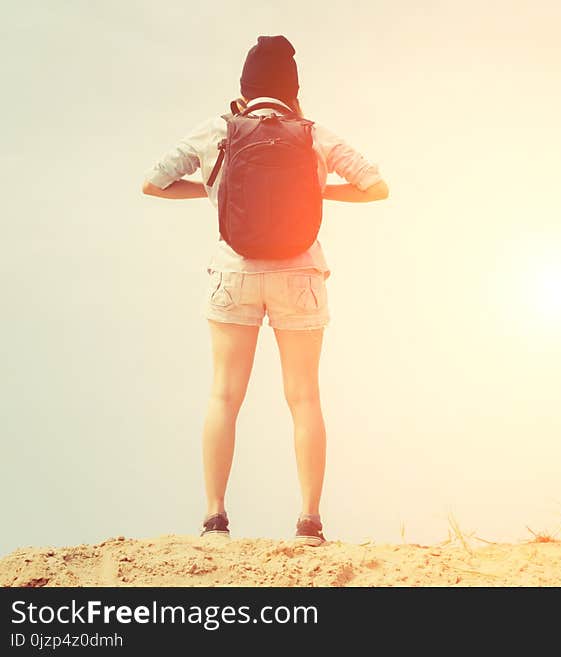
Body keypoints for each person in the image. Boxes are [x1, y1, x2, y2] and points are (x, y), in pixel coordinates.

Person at [142, 35, 389, 546]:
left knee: (224, 395)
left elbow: (153, 182)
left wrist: (212, 191)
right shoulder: (313, 134)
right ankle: (309, 523)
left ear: (245, 89)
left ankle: (214, 521)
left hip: (235, 273)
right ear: (293, 92)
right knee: (304, 398)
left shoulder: (219, 131)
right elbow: (376, 187)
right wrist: (319, 189)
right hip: (300, 275)